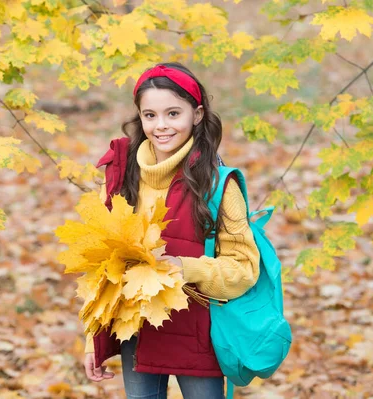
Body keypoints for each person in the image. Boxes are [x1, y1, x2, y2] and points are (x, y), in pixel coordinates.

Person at [82, 62, 260, 399]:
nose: (161, 126)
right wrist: (91, 338)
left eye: (173, 113)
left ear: (196, 114)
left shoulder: (218, 184)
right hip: (137, 333)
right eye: (150, 115)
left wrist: (186, 268)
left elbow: (245, 269)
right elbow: (101, 269)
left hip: (197, 336)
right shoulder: (121, 175)